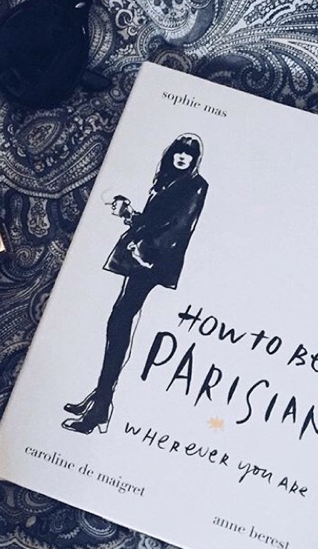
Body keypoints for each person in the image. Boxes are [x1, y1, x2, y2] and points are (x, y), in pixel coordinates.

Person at [62, 133, 209, 434]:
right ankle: (100, 397)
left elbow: (180, 228)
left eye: (189, 154)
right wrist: (129, 214)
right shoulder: (167, 181)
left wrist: (145, 252)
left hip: (153, 261)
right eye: (179, 151)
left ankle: (101, 406)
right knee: (119, 320)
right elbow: (155, 221)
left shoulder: (196, 185)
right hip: (142, 257)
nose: (183, 157)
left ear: (195, 160)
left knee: (119, 321)